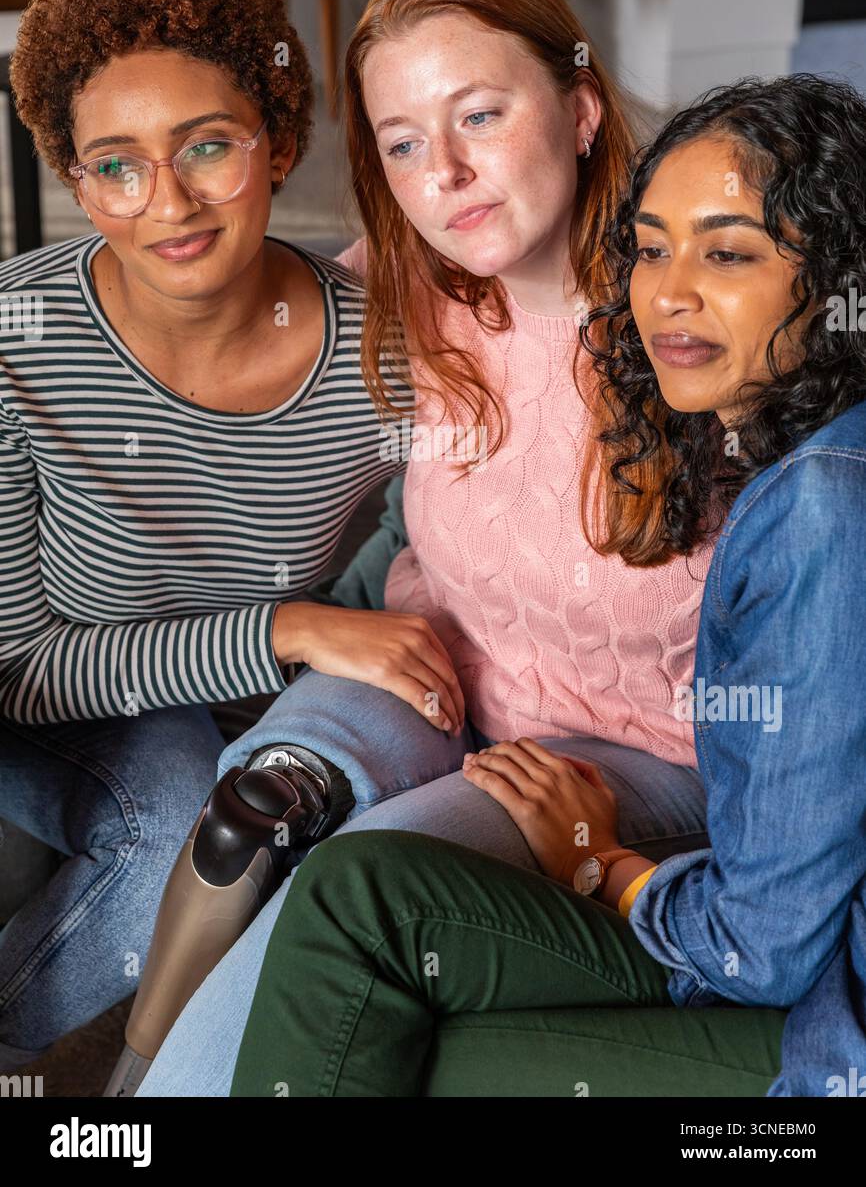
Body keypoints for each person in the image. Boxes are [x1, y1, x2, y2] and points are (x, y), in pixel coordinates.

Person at [139, 0, 721, 1096]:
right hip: (440, 664)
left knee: (349, 880)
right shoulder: (408, 283)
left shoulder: (701, 314)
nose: (443, 171)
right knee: (256, 809)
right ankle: (131, 1092)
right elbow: (202, 350)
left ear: (580, 108)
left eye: (479, 115)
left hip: (638, 752)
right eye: (401, 142)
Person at [229, 74, 866, 1099]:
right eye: (650, 247)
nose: (668, 292)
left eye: (729, 252)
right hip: (794, 962)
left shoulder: (824, 508)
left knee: (390, 986)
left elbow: (769, 947)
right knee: (365, 913)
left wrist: (596, 857)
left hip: (819, 1032)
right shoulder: (802, 461)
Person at [0, 0, 464, 1067]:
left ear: (278, 140)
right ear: (73, 177)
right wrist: (288, 632)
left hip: (166, 710)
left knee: (187, 819)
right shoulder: (17, 338)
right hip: (26, 693)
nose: (168, 200)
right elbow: (21, 666)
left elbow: (460, 525)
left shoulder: (382, 358)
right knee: (166, 811)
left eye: (207, 145)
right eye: (116, 163)